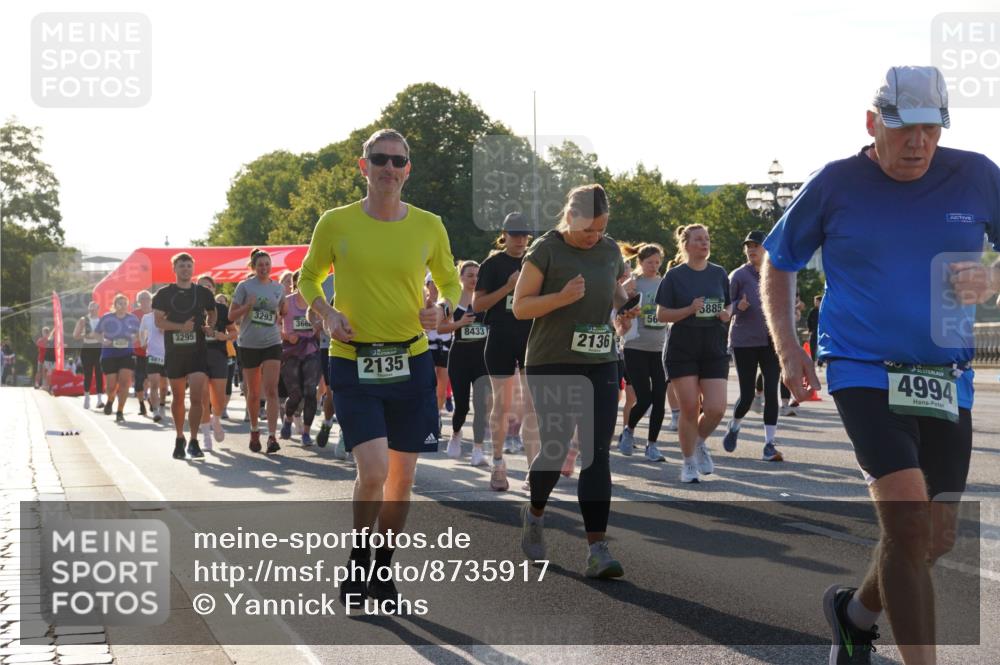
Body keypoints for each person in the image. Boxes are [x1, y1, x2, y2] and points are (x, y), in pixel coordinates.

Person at [761, 65, 1000, 665]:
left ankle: (855, 614)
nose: (918, 143)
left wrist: (993, 278)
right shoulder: (836, 183)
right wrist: (790, 349)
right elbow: (780, 261)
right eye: (904, 128)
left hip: (947, 376)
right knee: (908, 523)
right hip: (862, 366)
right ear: (873, 123)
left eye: (931, 128)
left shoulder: (976, 175)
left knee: (932, 538)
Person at [298, 128, 460, 607]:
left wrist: (443, 309)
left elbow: (450, 281)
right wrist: (326, 313)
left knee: (403, 480)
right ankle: (359, 556)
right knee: (373, 471)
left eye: (398, 160)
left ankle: (383, 567)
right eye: (380, 159)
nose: (389, 167)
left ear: (408, 169)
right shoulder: (336, 222)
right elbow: (308, 276)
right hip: (353, 361)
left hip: (410, 361)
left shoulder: (429, 225)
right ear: (362, 165)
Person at [513, 183, 635, 578]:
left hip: (600, 359)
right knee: (556, 446)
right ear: (570, 217)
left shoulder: (609, 249)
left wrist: (624, 308)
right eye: (588, 229)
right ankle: (534, 513)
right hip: (553, 361)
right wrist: (561, 298)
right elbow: (520, 307)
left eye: (600, 229)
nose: (594, 236)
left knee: (598, 452)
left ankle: (597, 549)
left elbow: (614, 289)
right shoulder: (546, 249)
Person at [655, 224, 732, 483]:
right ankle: (688, 463)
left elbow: (728, 303)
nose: (704, 243)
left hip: (713, 345)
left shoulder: (719, 273)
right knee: (689, 407)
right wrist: (689, 309)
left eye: (707, 239)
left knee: (716, 408)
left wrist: (727, 313)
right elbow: (662, 314)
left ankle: (699, 442)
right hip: (682, 346)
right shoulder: (675, 276)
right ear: (686, 244)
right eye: (699, 239)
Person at [474, 212, 538, 491]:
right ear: (504, 235)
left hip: (530, 338)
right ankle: (498, 463)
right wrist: (509, 287)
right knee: (501, 405)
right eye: (515, 234)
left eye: (524, 234)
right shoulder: (493, 264)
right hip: (500, 337)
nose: (520, 239)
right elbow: (478, 305)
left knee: (532, 407)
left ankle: (533, 470)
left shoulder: (535, 262)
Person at [721, 230, 784, 462]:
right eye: (748, 245)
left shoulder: (777, 274)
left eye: (756, 245)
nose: (751, 249)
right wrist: (739, 306)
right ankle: (735, 426)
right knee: (747, 395)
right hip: (744, 341)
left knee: (771, 392)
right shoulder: (737, 275)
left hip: (771, 341)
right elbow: (725, 307)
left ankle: (769, 444)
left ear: (766, 248)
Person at [153, 253, 217, 460]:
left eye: (189, 266)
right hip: (175, 352)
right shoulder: (164, 294)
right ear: (174, 269)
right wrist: (181, 327)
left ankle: (194, 440)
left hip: (197, 352)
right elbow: (159, 322)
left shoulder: (203, 293)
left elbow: (212, 311)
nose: (186, 269)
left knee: (197, 397)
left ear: (193, 268)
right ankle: (179, 437)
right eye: (182, 266)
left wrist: (210, 326)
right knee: (179, 397)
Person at [229, 249, 286, 454]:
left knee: (272, 390)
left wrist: (283, 313)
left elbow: (282, 311)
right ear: (253, 267)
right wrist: (247, 306)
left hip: (272, 341)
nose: (264, 268)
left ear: (271, 266)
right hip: (249, 343)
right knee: (253, 393)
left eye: (267, 264)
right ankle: (254, 430)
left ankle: (272, 436)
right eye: (260, 265)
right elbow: (231, 315)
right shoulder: (244, 286)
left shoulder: (278, 288)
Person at [618, 242, 668, 462]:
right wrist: (628, 304)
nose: (654, 266)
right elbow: (617, 310)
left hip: (658, 349)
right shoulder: (633, 283)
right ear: (640, 262)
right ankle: (628, 430)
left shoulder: (665, 283)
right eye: (649, 262)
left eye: (657, 262)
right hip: (635, 347)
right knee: (644, 398)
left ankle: (652, 445)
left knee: (659, 398)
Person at [441, 260, 492, 464]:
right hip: (459, 357)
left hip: (482, 358)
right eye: (469, 275)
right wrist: (459, 323)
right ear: (460, 277)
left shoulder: (485, 300)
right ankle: (455, 434)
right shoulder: (453, 301)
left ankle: (478, 449)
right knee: (461, 405)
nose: (474, 279)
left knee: (481, 405)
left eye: (477, 275)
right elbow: (441, 328)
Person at [278, 270, 323, 447]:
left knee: (311, 392)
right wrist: (287, 336)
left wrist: (319, 327)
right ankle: (288, 419)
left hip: (311, 350)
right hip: (291, 351)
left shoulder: (317, 304)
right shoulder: (287, 302)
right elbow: (274, 324)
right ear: (297, 283)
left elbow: (324, 326)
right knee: (295, 395)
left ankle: (306, 432)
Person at [197, 275, 237, 448]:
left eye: (208, 286)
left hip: (219, 356)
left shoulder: (221, 308)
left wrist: (225, 336)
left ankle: (217, 419)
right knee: (203, 397)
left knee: (219, 399)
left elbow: (234, 333)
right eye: (201, 286)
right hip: (198, 357)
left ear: (214, 289)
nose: (205, 289)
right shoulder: (191, 308)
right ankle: (206, 436)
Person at [97, 295, 140, 422]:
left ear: (128, 305)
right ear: (115, 305)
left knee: (125, 383)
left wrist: (135, 338)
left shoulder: (132, 318)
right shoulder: (107, 318)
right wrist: (103, 341)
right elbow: (96, 333)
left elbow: (139, 334)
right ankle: (110, 400)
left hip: (127, 354)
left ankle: (120, 411)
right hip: (109, 354)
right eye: (119, 303)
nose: (122, 306)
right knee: (111, 387)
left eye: (124, 303)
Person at [424, 275, 452, 442]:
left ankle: (437, 415)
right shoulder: (422, 301)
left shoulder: (446, 303)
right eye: (431, 283)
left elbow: (451, 324)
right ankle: (428, 418)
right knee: (429, 385)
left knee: (442, 387)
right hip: (428, 347)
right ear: (427, 285)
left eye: (437, 283)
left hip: (445, 347)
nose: (435, 286)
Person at [73, 302, 105, 409]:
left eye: (94, 307)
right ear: (88, 308)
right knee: (88, 373)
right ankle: (87, 397)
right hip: (87, 348)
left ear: (98, 308)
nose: (92, 309)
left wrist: (101, 338)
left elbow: (105, 335)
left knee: (99, 373)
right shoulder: (83, 320)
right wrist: (86, 335)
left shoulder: (102, 320)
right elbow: (75, 336)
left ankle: (100, 399)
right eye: (90, 307)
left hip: (98, 348)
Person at [138, 305, 165, 423]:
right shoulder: (147, 317)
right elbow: (141, 330)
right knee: (154, 384)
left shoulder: (169, 316)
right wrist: (143, 341)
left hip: (168, 355)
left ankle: (162, 405)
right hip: (152, 355)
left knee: (164, 387)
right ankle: (155, 411)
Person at [132, 290, 153, 416]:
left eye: (147, 298)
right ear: (138, 301)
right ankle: (141, 405)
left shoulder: (156, 313)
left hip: (153, 352)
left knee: (150, 380)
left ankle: (151, 400)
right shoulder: (134, 315)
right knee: (139, 381)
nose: (144, 301)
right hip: (138, 352)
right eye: (142, 299)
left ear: (150, 300)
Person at [807, 294, 823, 366]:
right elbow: (809, 320)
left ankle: (821, 361)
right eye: (815, 301)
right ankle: (813, 360)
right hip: (814, 331)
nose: (815, 303)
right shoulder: (813, 311)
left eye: (816, 301)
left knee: (821, 346)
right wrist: (810, 330)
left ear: (820, 302)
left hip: (822, 331)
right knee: (812, 346)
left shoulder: (824, 309)